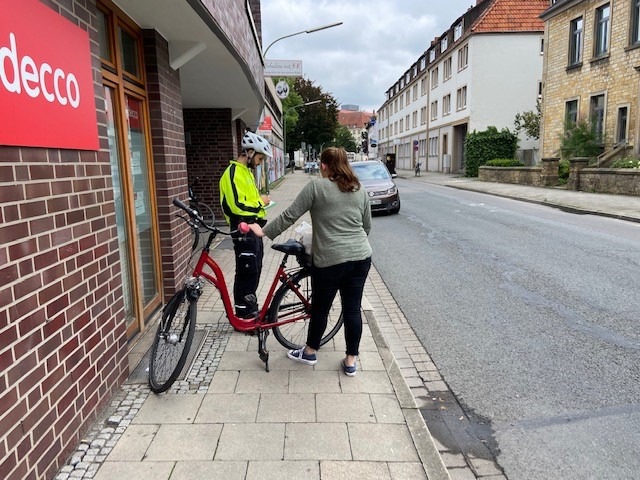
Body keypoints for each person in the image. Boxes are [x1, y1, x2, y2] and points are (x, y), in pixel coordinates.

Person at [250, 147, 372, 376]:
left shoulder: (317, 186)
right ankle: (351, 361)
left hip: (330, 260)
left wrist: (264, 232)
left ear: (324, 165)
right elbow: (366, 226)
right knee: (353, 309)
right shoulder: (359, 188)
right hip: (361, 257)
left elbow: (290, 215)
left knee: (320, 308)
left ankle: (309, 352)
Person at [219, 131, 272, 318]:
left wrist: (260, 202)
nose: (260, 162)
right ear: (249, 153)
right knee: (246, 270)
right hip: (242, 229)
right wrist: (261, 202)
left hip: (252, 228)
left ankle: (250, 309)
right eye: (259, 157)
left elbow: (247, 200)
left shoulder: (246, 173)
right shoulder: (233, 173)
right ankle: (243, 314)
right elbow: (236, 206)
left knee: (254, 268)